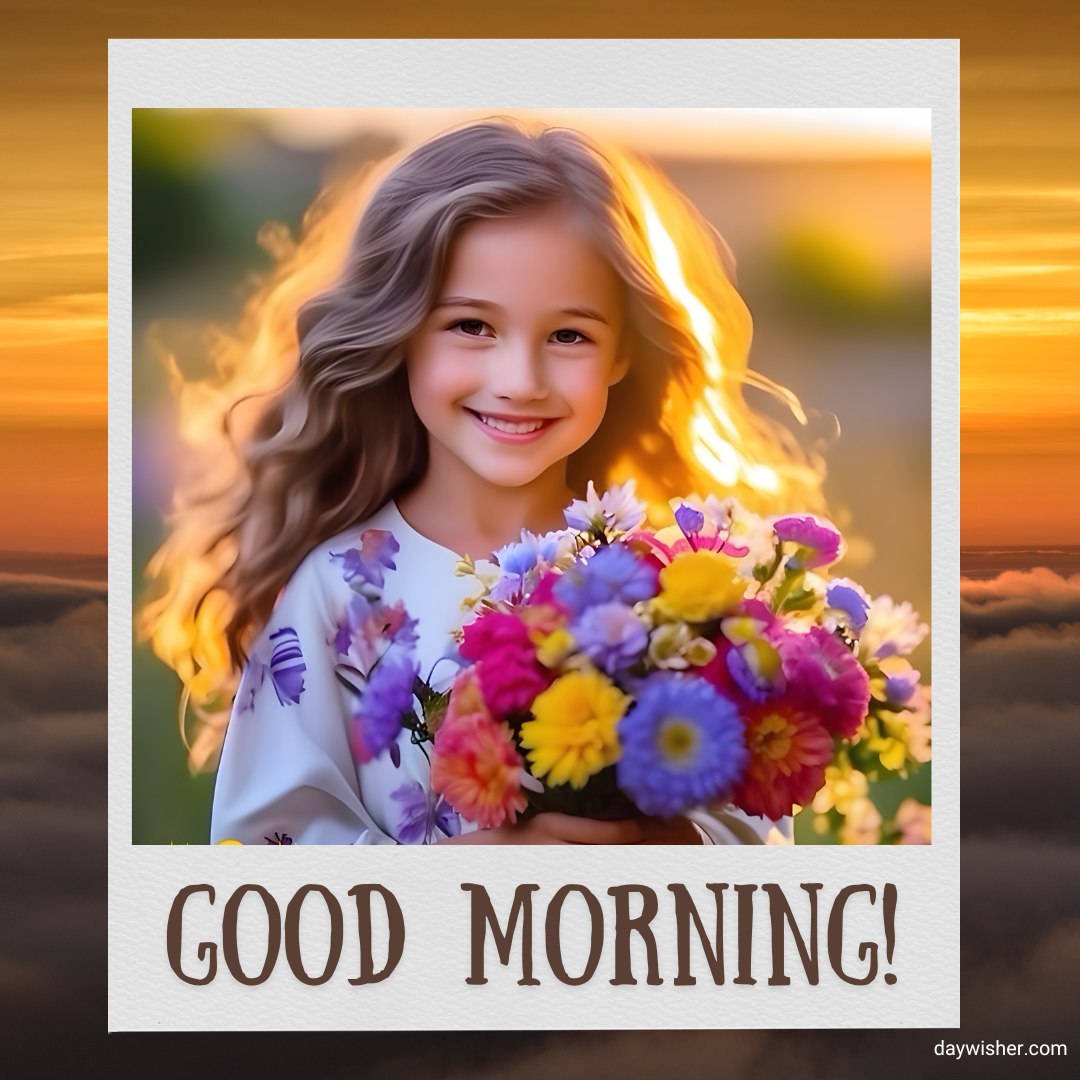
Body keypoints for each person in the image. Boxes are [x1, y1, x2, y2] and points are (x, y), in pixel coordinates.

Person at [141, 118, 818, 846]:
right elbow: (261, 859)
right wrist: (476, 872)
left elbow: (755, 844)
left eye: (569, 336)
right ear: (398, 331)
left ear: (624, 352)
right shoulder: (338, 592)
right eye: (470, 326)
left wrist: (660, 846)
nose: (519, 381)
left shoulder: (666, 591)